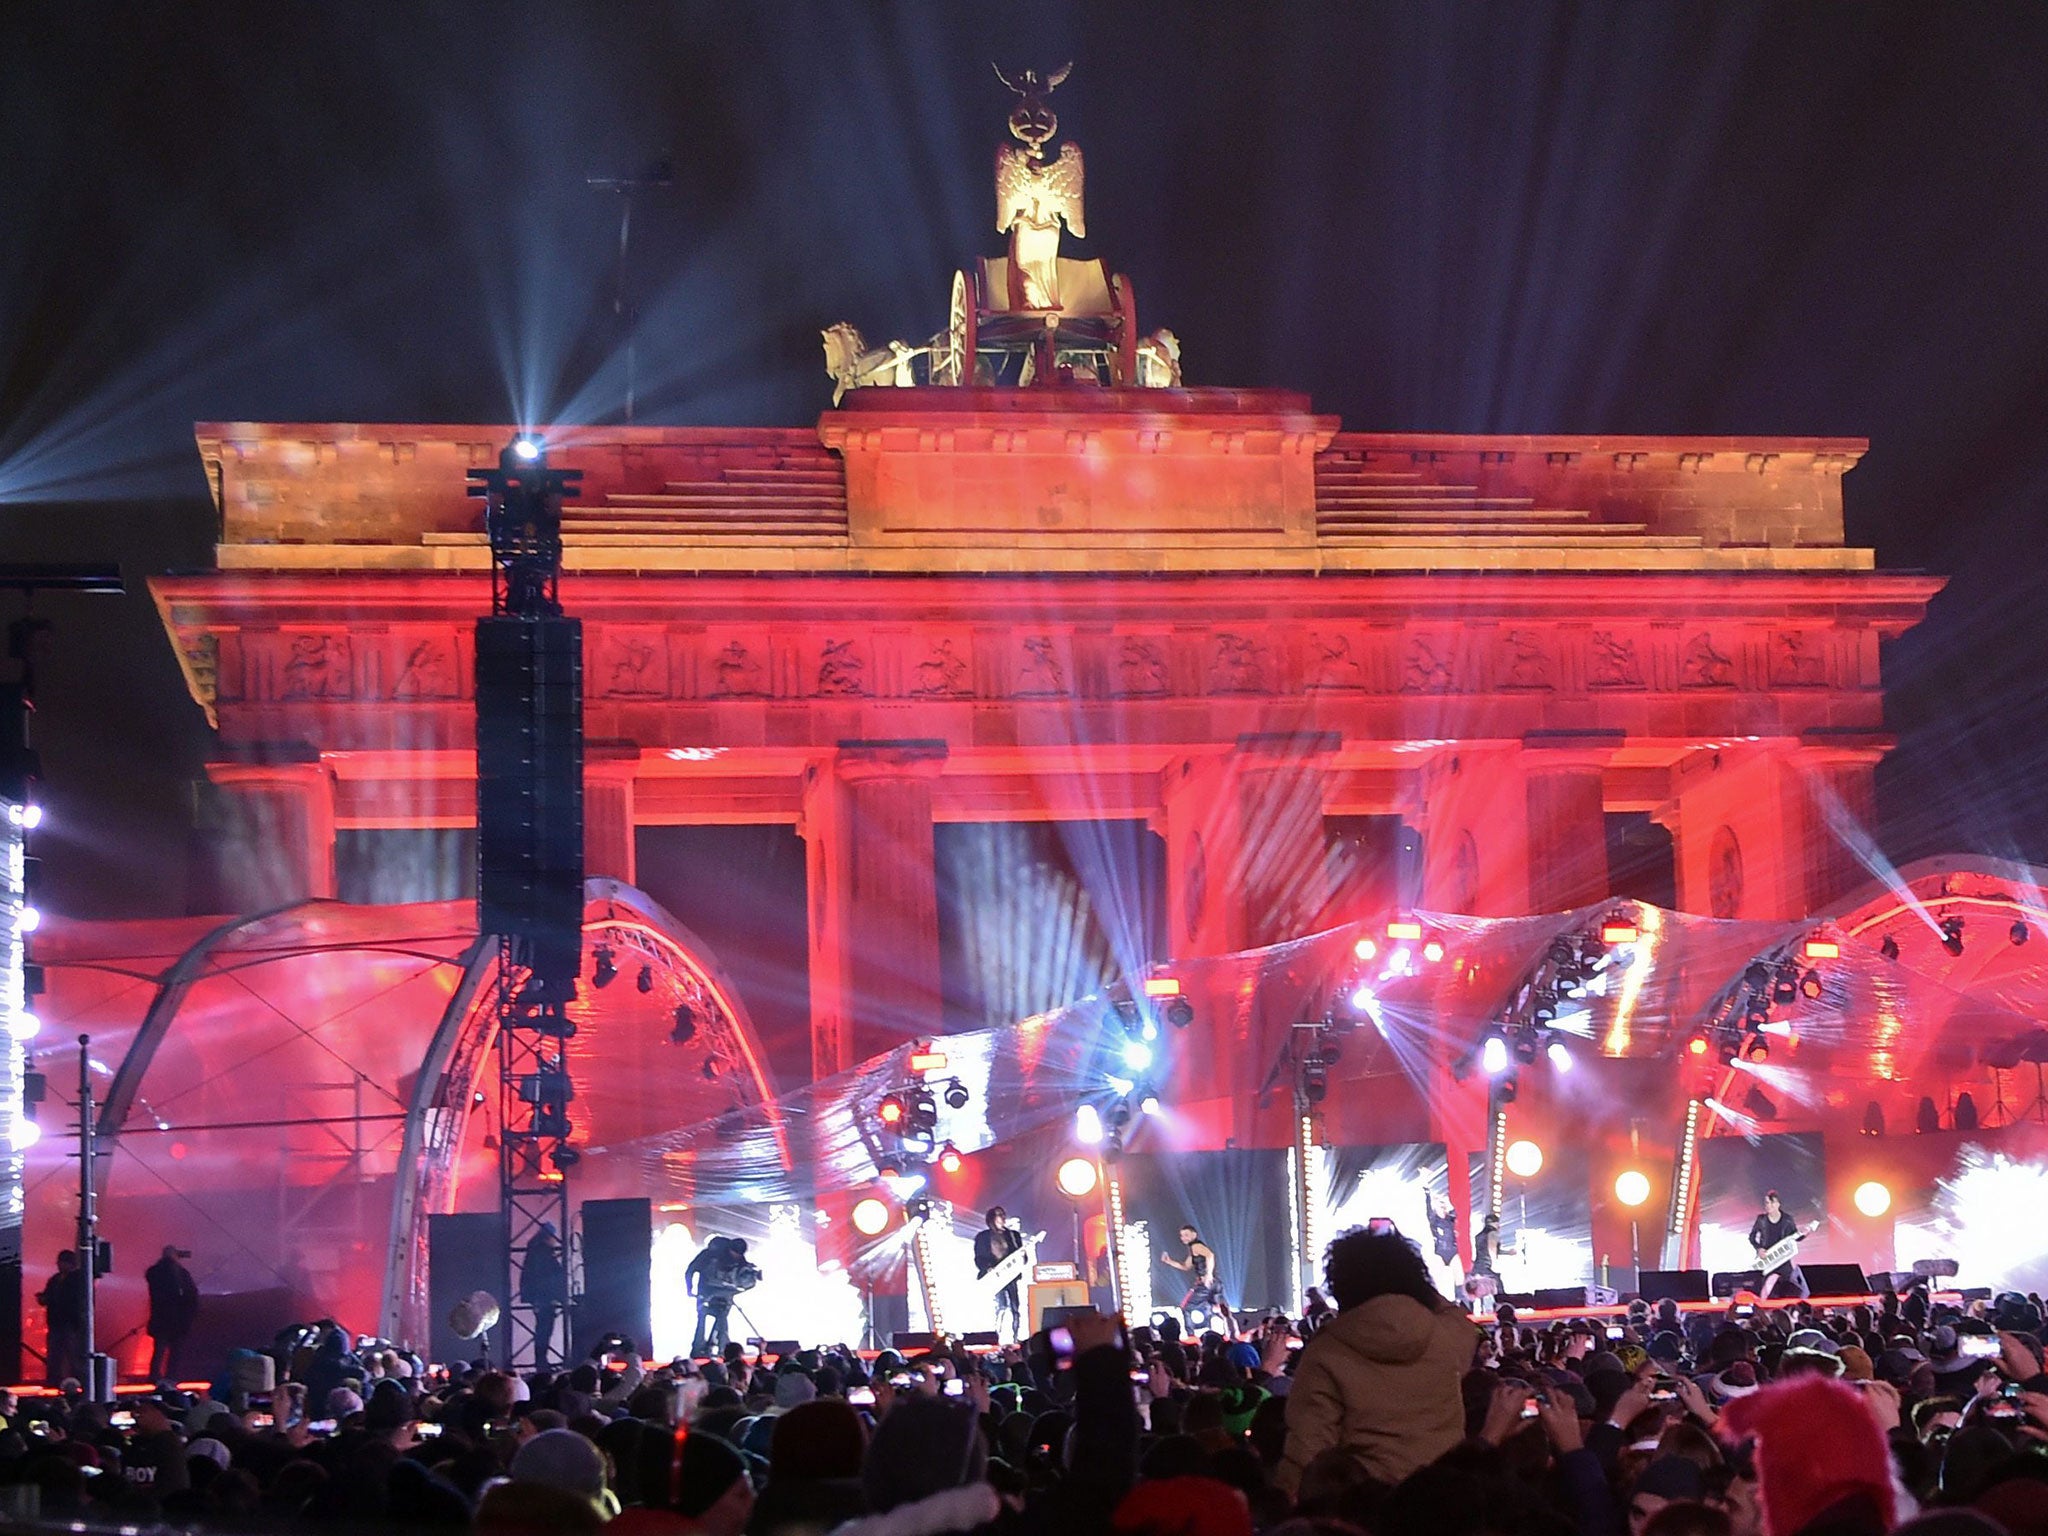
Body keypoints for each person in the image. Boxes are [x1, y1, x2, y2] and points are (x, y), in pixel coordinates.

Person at [1276, 1224, 1477, 1493]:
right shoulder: (1444, 1335)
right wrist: (1414, 1284)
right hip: (1446, 1500)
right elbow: (1457, 1317)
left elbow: (1307, 1452)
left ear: (1340, 1285)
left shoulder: (1326, 1351)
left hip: (1369, 1509)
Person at [1162, 1222, 1237, 1336]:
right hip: (1215, 1283)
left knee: (1186, 1308)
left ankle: (1191, 1336)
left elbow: (1210, 1255)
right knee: (1222, 1310)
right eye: (1182, 1236)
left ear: (1194, 1235)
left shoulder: (1196, 1246)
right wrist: (1169, 1261)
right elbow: (1186, 1266)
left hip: (1206, 1283)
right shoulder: (1193, 1249)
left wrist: (1208, 1274)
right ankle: (1232, 1333)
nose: (1183, 1238)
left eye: (1186, 1235)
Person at [144, 1244, 199, 1382]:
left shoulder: (154, 1272)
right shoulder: (181, 1273)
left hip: (160, 1318)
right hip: (177, 1320)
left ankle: (154, 1376)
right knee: (175, 1352)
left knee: (159, 1349)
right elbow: (191, 1295)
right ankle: (170, 1377)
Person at [519, 1222, 569, 1369]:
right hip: (544, 1299)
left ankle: (542, 1362)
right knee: (544, 1331)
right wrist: (559, 1296)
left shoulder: (536, 1251)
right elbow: (548, 1277)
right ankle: (541, 1363)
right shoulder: (542, 1254)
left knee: (543, 1330)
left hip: (541, 1299)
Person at [973, 1206, 1025, 1343]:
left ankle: (1015, 1338)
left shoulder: (1013, 1235)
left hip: (1011, 1276)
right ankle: (997, 1336)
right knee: (1001, 1306)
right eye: (999, 1215)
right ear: (991, 1218)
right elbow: (978, 1257)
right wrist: (988, 1267)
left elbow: (1023, 1257)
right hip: (994, 1278)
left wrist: (1019, 1261)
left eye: (1003, 1214)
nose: (1002, 1217)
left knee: (1015, 1307)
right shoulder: (983, 1237)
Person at [1748, 1191, 1809, 1300]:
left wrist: (1805, 1233)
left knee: (1798, 1288)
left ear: (1778, 1204)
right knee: (1763, 1289)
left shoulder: (1787, 1219)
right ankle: (1762, 1311)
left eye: (1772, 1203)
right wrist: (1758, 1249)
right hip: (1768, 1259)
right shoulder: (1761, 1220)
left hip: (1783, 1258)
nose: (1768, 1206)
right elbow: (1752, 1237)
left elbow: (1795, 1237)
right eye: (1766, 1203)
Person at [37, 1249, 86, 1385]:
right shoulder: (54, 1280)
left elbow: (79, 1300)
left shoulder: (79, 1279)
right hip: (55, 1322)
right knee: (54, 1354)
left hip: (71, 1322)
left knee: (73, 1354)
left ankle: (79, 1381)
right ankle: (53, 1380)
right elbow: (48, 1296)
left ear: (70, 1263)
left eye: (61, 1262)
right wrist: (43, 1298)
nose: (58, 1265)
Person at [686, 1237, 740, 1358]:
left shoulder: (733, 1258)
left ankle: (719, 1348)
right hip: (707, 1293)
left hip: (722, 1293)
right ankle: (701, 1349)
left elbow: (690, 1270)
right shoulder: (708, 1255)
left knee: (719, 1318)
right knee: (704, 1319)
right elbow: (690, 1270)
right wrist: (690, 1288)